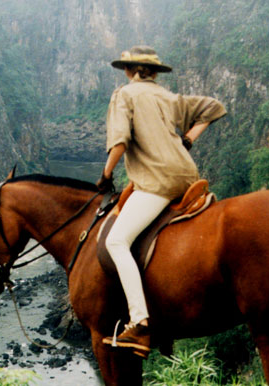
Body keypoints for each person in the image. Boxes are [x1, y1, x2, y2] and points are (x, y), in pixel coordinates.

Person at [97, 45, 226, 357]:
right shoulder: (169, 97)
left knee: (116, 242)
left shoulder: (124, 95)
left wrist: (106, 173)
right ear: (154, 72)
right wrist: (189, 138)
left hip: (156, 181)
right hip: (187, 175)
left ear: (129, 70)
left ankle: (140, 321)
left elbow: (119, 142)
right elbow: (214, 107)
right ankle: (163, 315)